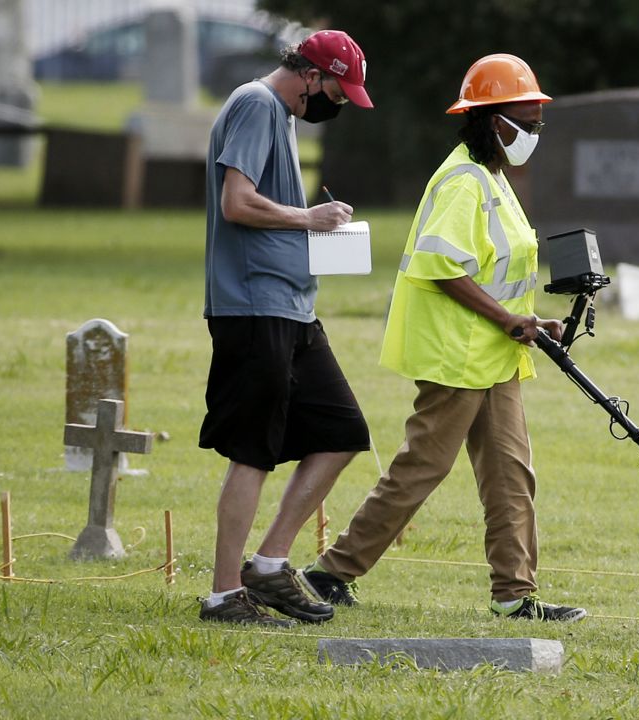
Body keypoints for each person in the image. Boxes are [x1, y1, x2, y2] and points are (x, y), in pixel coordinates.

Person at [302, 53, 586, 623]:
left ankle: (515, 594)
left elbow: (495, 269)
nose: (533, 132)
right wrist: (508, 320)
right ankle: (331, 572)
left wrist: (532, 319)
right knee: (422, 467)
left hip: (495, 353)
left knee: (511, 473)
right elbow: (442, 266)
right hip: (457, 354)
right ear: (491, 119)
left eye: (537, 122)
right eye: (525, 121)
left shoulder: (496, 178)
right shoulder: (463, 181)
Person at [197, 30, 374, 626]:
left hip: (292, 308)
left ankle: (270, 564)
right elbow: (237, 203)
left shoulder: (283, 116)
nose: (339, 104)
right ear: (310, 74)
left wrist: (317, 231)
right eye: (337, 91)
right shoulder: (255, 103)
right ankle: (224, 596)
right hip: (252, 307)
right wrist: (309, 218)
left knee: (343, 430)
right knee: (253, 449)